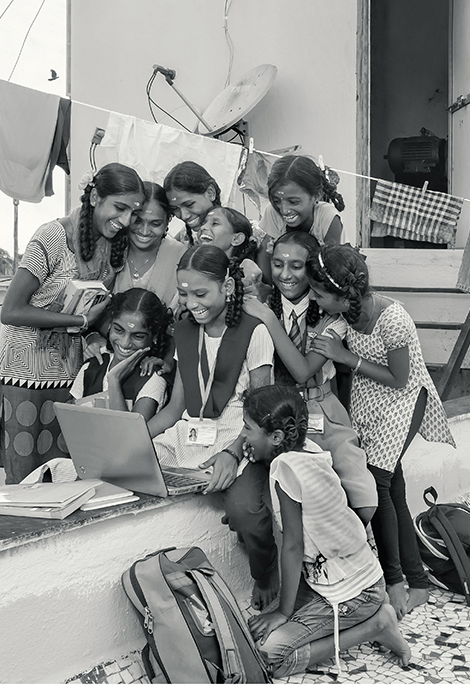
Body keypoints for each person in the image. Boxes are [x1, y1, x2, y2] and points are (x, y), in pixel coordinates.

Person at [308, 245, 456, 618]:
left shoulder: (393, 320)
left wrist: (345, 357)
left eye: (319, 293)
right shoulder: (343, 316)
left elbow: (399, 378)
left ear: (342, 294)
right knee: (393, 489)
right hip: (369, 402)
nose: (314, 299)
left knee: (377, 482)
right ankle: (417, 582)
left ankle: (394, 582)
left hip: (403, 400)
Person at [0, 162, 144, 485]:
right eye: (119, 208)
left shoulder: (112, 245)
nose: (125, 221)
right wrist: (80, 321)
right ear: (94, 197)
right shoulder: (52, 236)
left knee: (67, 474)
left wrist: (92, 334)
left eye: (132, 213)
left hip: (71, 377)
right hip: (25, 377)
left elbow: (94, 309)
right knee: (27, 479)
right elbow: (11, 310)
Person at [242, 386, 411, 677]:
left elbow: (293, 546)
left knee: (268, 655)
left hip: (357, 592)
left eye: (248, 428)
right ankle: (367, 618)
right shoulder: (308, 449)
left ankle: (377, 625)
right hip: (347, 577)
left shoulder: (286, 468)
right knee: (254, 632)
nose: (243, 435)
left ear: (277, 437)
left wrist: (283, 613)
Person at [144, 244, 279, 605]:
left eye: (201, 294)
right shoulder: (186, 331)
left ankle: (266, 571)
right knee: (136, 469)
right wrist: (135, 439)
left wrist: (232, 454)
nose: (191, 303)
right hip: (189, 433)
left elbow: (261, 410)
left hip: (238, 436)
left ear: (228, 287)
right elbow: (175, 409)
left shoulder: (254, 332)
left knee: (245, 511)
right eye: (184, 293)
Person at [241, 230, 377, 514]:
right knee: (287, 499)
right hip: (278, 414)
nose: (285, 274)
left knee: (362, 496)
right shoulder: (260, 303)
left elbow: (303, 372)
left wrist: (269, 319)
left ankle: (355, 537)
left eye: (296, 266)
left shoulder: (331, 315)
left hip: (322, 410)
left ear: (312, 270)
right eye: (278, 264)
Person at [69, 287, 173, 421]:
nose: (125, 343)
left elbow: (130, 432)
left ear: (155, 336)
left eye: (138, 336)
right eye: (118, 330)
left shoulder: (153, 377)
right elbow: (71, 422)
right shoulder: (91, 367)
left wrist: (114, 380)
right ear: (110, 324)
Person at [256, 154, 345, 284]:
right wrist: (266, 289)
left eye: (293, 202)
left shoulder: (327, 216)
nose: (284, 210)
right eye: (276, 201)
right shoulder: (273, 212)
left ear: (316, 196)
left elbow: (332, 269)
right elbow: (264, 255)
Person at [112, 182, 186, 309]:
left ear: (168, 221)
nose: (144, 231)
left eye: (155, 224)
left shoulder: (181, 256)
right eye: (137, 221)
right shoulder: (110, 248)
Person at [162, 161, 222, 242]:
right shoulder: (184, 237)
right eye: (175, 209)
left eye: (189, 204)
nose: (184, 216)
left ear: (210, 193)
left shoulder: (232, 233)